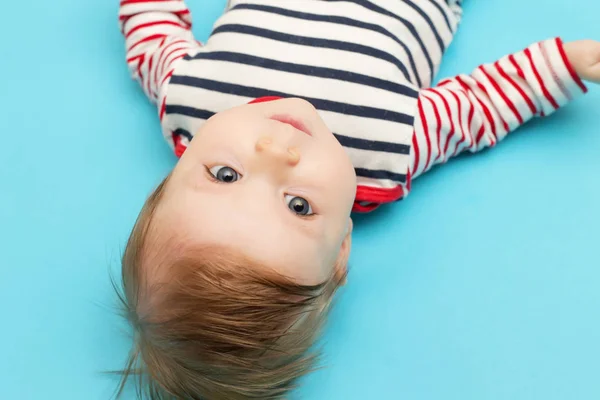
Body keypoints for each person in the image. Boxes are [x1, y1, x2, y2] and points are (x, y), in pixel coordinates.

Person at [116, 0, 600, 398]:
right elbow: (479, 104)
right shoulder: (390, 150)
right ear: (341, 246)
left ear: (172, 174)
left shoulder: (188, 98)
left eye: (226, 174)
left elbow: (151, 31)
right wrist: (563, 66)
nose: (275, 151)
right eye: (297, 205)